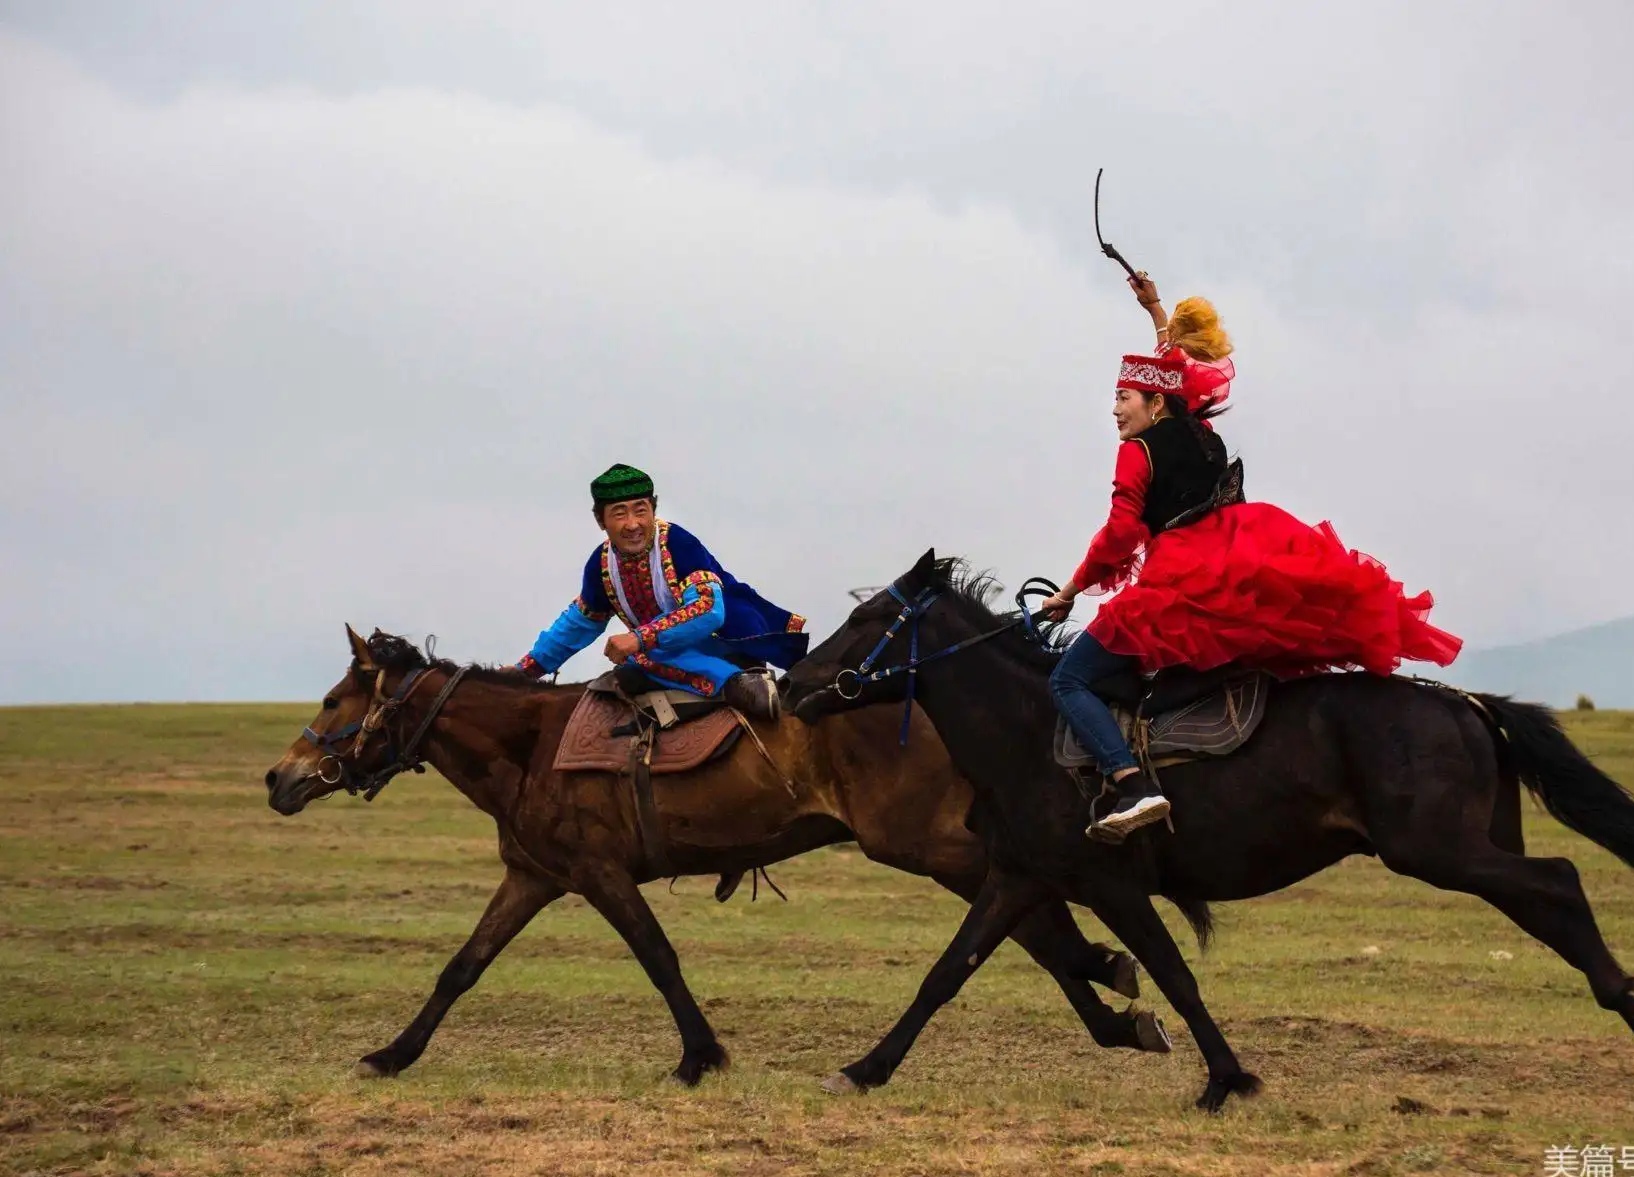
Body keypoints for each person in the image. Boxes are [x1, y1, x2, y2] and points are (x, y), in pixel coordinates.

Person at [1040, 275, 1462, 838]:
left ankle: (1129, 781)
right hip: (1234, 566)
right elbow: (1173, 366)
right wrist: (1155, 309)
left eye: (1122, 398)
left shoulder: (1136, 452)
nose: (1114, 411)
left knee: (1068, 679)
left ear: (1153, 401)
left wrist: (1069, 593)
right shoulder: (1196, 430)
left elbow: (1119, 537)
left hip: (1178, 584)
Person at [515, 463, 809, 720]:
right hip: (670, 649)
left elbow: (709, 610)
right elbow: (578, 624)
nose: (633, 524)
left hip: (725, 638)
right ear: (600, 521)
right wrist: (522, 672)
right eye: (620, 514)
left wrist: (638, 639)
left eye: (640, 511)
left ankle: (739, 684)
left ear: (653, 510)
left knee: (636, 660)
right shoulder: (601, 563)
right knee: (628, 668)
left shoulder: (678, 544)